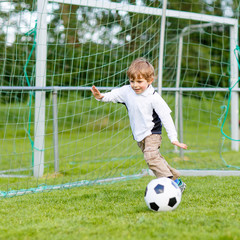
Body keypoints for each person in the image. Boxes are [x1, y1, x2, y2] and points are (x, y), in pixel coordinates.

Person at [91, 58, 188, 192]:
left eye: (140, 81)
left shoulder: (154, 97)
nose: (135, 85)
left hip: (152, 133)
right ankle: (177, 181)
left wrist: (173, 138)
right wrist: (100, 96)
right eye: (132, 81)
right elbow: (113, 95)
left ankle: (170, 186)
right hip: (139, 135)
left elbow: (166, 117)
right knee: (156, 158)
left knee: (151, 157)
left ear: (150, 81)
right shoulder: (127, 92)